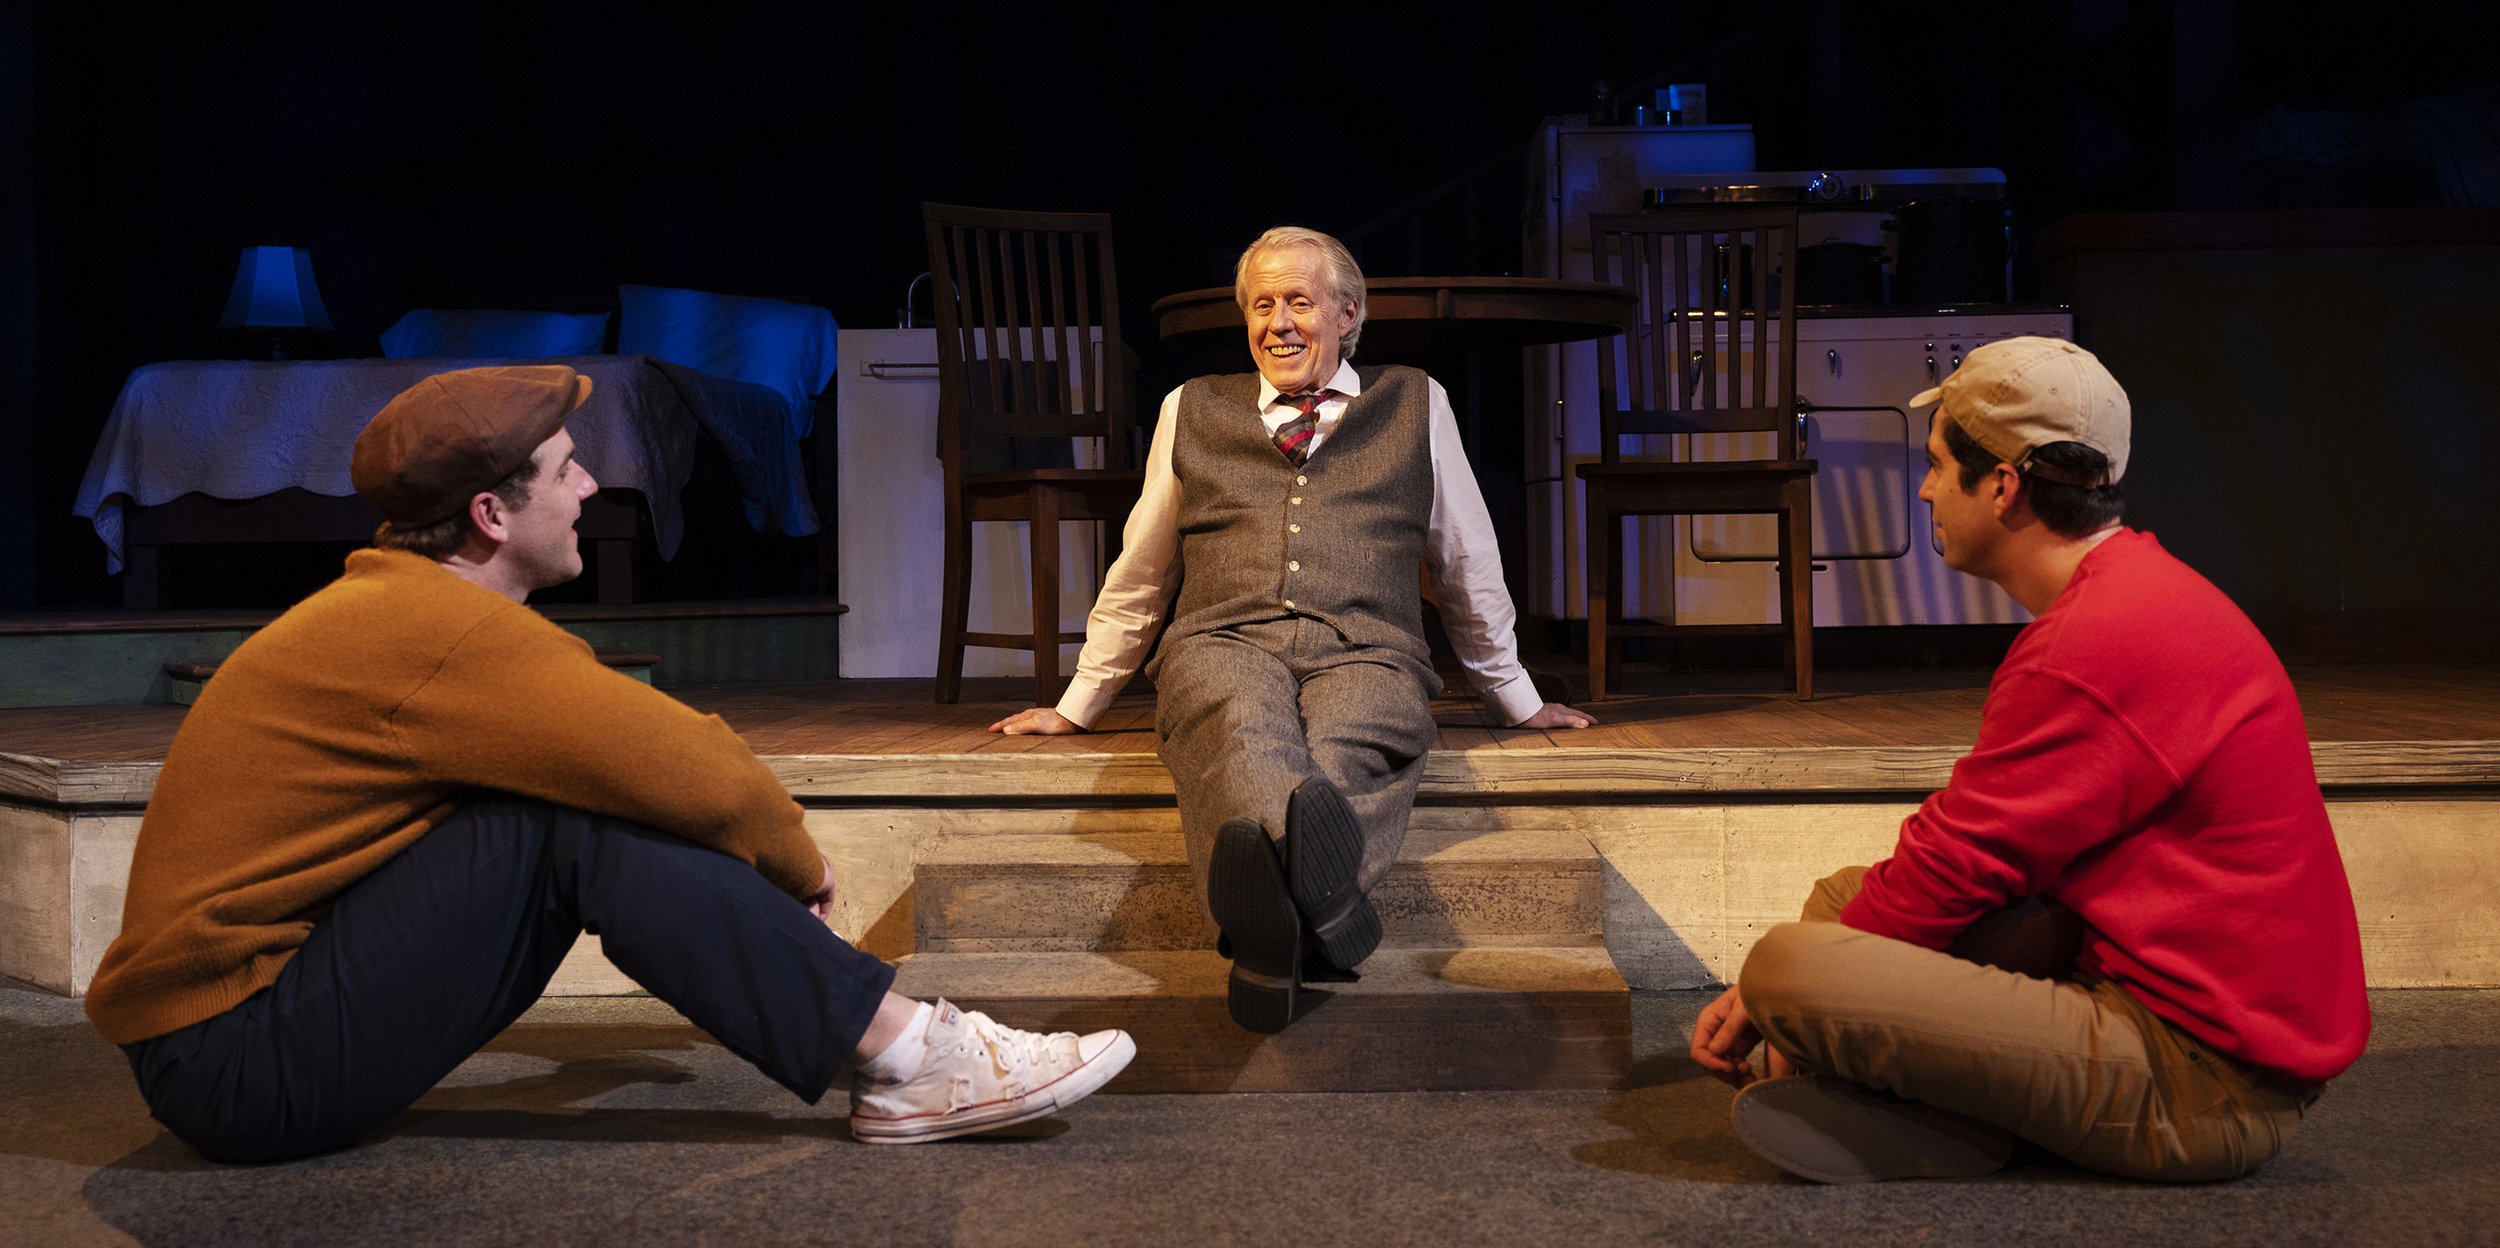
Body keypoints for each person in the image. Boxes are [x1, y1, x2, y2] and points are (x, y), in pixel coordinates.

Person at [85, 365, 1133, 1163]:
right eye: (565, 469)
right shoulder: (433, 627)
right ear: (491, 515)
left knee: (560, 801)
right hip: (236, 1064)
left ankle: (896, 1045)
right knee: (567, 818)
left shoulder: (397, 607)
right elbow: (691, 767)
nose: (591, 484)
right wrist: (793, 862)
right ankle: (909, 1055)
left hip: (237, 1041)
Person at [1688, 337, 2371, 1183]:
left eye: (1939, 466)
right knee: (1840, 905)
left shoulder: (2101, 638)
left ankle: (1955, 1115)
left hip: (2205, 1086)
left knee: (1789, 967)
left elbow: (1962, 861)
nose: (1927, 487)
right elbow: (1973, 854)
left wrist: (1779, 1006)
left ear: (2003, 487)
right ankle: (1948, 1115)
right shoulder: (2137, 590)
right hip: (2139, 988)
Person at [990, 227, 1594, 1032]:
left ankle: (1264, 936)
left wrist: (1514, 696)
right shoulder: (1191, 408)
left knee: (1354, 741)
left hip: (1369, 645)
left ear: (1348, 314)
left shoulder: (1416, 399)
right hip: (1222, 639)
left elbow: (1464, 555)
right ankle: (1329, 909)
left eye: (1299, 302)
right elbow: (1144, 564)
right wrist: (1081, 702)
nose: (1278, 322)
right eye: (1262, 304)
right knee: (1240, 731)